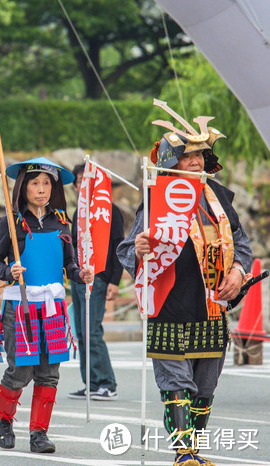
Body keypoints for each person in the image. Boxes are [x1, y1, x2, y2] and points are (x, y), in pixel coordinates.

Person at [117, 111, 252, 466]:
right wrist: (140, 248)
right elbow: (127, 249)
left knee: (205, 387)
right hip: (170, 303)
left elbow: (243, 245)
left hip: (212, 304)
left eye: (199, 156)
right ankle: (183, 452)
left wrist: (238, 272)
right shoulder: (158, 200)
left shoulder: (219, 199)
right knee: (175, 381)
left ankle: (196, 450)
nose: (194, 162)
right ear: (171, 162)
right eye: (187, 156)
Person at [0, 157, 93, 454]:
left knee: (49, 373)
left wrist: (80, 274)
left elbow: (69, 264)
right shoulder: (10, 222)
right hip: (20, 306)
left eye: (47, 183)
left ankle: (39, 433)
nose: (42, 189)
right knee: (21, 371)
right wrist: (9, 272)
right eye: (35, 183)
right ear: (23, 187)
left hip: (53, 307)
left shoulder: (61, 221)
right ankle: (4, 419)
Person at [67, 163, 123, 401]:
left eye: (88, 180)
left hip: (99, 278)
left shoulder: (110, 210)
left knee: (92, 330)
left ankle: (107, 383)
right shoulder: (77, 213)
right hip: (79, 278)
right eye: (79, 181)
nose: (83, 185)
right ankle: (90, 382)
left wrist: (114, 281)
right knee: (80, 331)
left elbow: (119, 247)